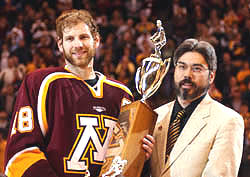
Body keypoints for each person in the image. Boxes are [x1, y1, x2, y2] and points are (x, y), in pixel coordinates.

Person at [4, 9, 154, 177]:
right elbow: (20, 154)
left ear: (96, 40)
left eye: (83, 37)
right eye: (70, 39)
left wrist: (141, 156)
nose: (78, 45)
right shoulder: (40, 83)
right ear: (60, 45)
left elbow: (123, 162)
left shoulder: (122, 93)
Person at [149, 38, 244, 177]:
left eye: (196, 69)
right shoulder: (155, 116)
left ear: (211, 76)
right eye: (182, 66)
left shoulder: (228, 120)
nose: (187, 74)